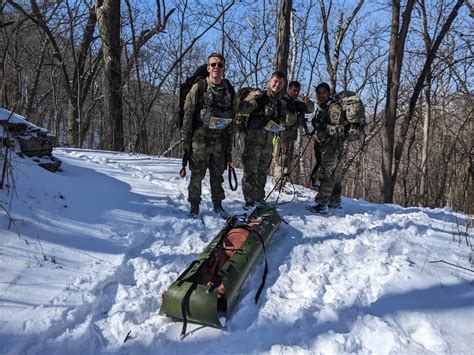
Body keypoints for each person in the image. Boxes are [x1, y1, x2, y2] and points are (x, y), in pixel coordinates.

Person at [181, 53, 234, 218]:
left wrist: (229, 147)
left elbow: (233, 119)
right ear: (208, 67)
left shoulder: (229, 90)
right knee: (197, 175)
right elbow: (188, 115)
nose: (216, 68)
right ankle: (194, 206)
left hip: (220, 141)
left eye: (219, 65)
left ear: (224, 68)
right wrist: (186, 142)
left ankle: (218, 205)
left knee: (217, 176)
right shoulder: (200, 87)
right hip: (199, 140)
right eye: (213, 65)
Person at [236, 71, 291, 209]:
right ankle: (249, 201)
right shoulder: (259, 95)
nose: (277, 85)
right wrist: (254, 101)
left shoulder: (279, 103)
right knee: (250, 171)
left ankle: (259, 198)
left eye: (280, 83)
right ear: (269, 81)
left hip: (268, 143)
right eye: (275, 81)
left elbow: (282, 122)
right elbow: (241, 109)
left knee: (262, 171)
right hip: (253, 141)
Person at [308, 82, 345, 214]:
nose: (321, 95)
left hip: (332, 147)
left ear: (329, 93)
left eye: (324, 93)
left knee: (326, 174)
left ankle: (321, 204)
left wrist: (324, 128)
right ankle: (335, 201)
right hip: (325, 146)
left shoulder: (333, 107)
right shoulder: (321, 108)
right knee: (335, 174)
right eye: (319, 93)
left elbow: (339, 130)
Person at [273, 80, 315, 191]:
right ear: (289, 89)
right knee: (281, 161)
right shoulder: (282, 102)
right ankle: (277, 186)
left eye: (298, 91)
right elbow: (277, 121)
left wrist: (307, 102)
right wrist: (282, 139)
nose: (296, 93)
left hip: (292, 137)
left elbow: (311, 109)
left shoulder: (297, 104)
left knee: (288, 161)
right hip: (282, 137)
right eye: (294, 90)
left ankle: (282, 185)